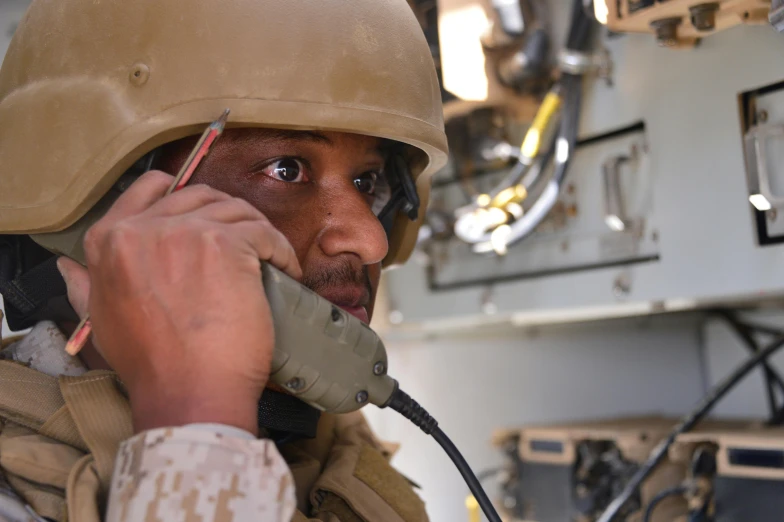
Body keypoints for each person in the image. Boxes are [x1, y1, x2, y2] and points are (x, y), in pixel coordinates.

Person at [0, 0, 448, 520]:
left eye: (366, 182)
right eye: (286, 170)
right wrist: (195, 414)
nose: (371, 239)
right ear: (94, 217)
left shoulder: (337, 449)